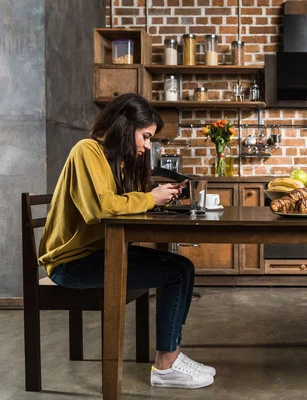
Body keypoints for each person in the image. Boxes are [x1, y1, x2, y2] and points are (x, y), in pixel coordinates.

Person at [38, 93, 215, 389]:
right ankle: (165, 366)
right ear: (124, 125)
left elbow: (119, 202)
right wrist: (149, 198)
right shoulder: (87, 151)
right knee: (174, 273)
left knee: (183, 266)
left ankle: (171, 355)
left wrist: (153, 198)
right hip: (71, 264)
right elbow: (101, 209)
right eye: (145, 137)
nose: (146, 146)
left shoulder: (114, 161)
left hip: (98, 254)